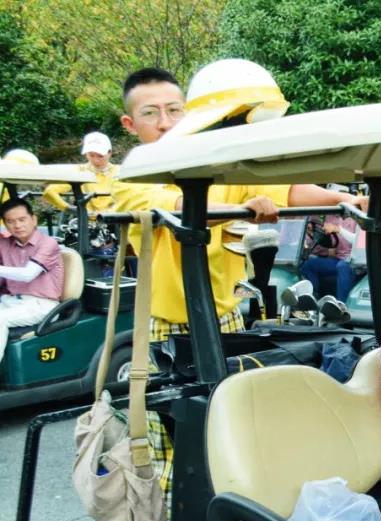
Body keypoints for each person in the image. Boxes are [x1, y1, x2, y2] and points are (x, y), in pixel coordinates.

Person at [111, 62, 367, 487]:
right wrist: (243, 208)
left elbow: (286, 190)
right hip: (164, 327)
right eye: (150, 113)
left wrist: (345, 199)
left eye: (174, 111)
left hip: (226, 318)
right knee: (172, 433)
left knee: (233, 424)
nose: (165, 123)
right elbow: (182, 210)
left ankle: (235, 500)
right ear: (130, 123)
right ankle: (178, 514)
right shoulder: (134, 176)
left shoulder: (220, 168)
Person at [0, 198, 64, 364]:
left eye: (22, 219)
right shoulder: (5, 243)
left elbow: (27, 274)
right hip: (11, 301)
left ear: (34, 219)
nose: (17, 225)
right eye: (10, 221)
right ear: (5, 224)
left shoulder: (48, 244)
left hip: (42, 305)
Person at [43, 132, 118, 214]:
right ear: (86, 154)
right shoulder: (78, 171)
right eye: (91, 155)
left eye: (100, 156)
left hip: (117, 218)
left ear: (110, 153)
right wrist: (69, 208)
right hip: (86, 219)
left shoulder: (120, 172)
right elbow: (49, 192)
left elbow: (128, 197)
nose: (96, 160)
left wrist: (113, 211)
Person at [300, 214, 361, 302]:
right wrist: (311, 234)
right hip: (337, 259)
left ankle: (341, 304)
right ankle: (313, 300)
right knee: (308, 264)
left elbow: (358, 240)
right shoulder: (329, 217)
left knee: (342, 266)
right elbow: (328, 244)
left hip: (354, 261)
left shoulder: (356, 217)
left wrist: (339, 229)